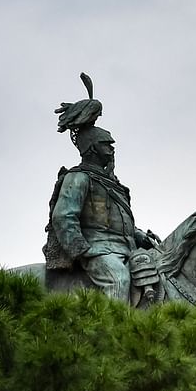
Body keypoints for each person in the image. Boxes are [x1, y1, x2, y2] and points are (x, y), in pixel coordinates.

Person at [51, 124, 159, 302]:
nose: (112, 148)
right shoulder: (78, 177)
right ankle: (114, 328)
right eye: (106, 144)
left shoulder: (114, 185)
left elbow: (120, 224)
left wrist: (140, 236)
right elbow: (63, 217)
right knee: (118, 280)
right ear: (93, 147)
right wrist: (82, 250)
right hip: (98, 250)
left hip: (127, 250)